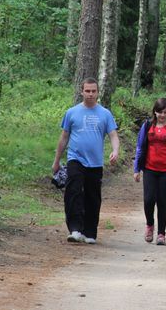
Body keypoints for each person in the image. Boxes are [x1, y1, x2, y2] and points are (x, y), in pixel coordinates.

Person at [52, 78, 120, 245]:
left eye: (93, 91)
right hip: (75, 159)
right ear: (81, 92)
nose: (90, 94)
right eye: (87, 91)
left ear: (97, 92)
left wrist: (115, 151)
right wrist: (56, 161)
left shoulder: (105, 114)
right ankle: (75, 229)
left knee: (92, 197)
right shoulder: (72, 113)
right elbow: (64, 137)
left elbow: (113, 135)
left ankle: (90, 232)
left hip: (95, 163)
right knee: (73, 192)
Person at [133, 98, 166, 245]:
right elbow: (140, 147)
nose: (162, 115)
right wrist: (136, 168)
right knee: (149, 199)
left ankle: (161, 234)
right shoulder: (147, 126)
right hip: (150, 168)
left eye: (165, 112)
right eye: (160, 112)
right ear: (155, 112)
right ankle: (150, 224)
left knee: (162, 201)